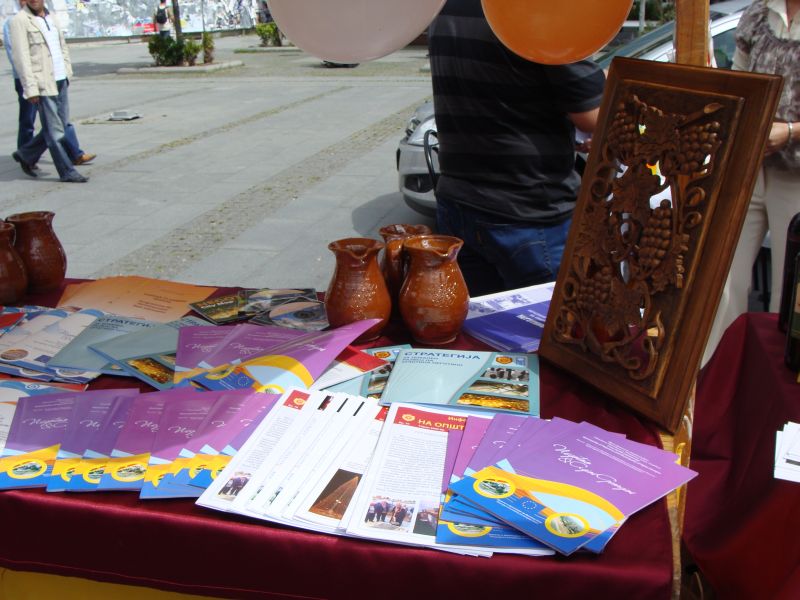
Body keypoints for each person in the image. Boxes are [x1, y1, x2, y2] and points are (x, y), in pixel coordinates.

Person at [427, 0, 605, 296]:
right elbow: (592, 115)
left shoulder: (445, 5)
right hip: (527, 210)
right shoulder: (542, 8)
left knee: (479, 322)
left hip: (459, 202)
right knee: (547, 322)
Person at [703, 0, 800, 366]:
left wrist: (789, 131)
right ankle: (713, 377)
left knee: (788, 299)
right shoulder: (758, 13)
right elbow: (740, 85)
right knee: (720, 282)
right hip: (749, 166)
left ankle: (776, 391)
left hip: (796, 174)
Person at [4, 0, 95, 170]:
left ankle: (28, 154)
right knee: (31, 121)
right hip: (31, 80)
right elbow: (18, 56)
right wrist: (29, 84)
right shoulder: (15, 21)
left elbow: (60, 46)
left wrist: (66, 71)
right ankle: (56, 162)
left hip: (55, 78)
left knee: (58, 123)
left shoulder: (49, 17)